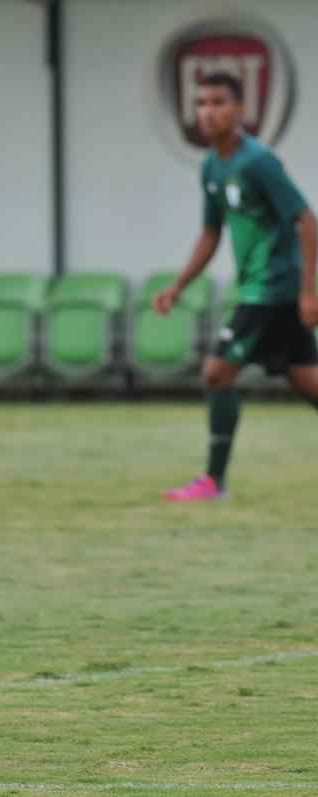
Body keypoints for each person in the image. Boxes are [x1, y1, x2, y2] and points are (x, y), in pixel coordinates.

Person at [156, 72, 318, 501]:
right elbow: (211, 233)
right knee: (306, 380)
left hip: (271, 289)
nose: (208, 112)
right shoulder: (211, 165)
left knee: (217, 372)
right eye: (202, 103)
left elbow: (305, 219)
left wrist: (308, 291)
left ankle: (213, 482)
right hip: (259, 290)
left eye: (218, 103)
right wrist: (178, 285)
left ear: (240, 110)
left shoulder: (258, 162)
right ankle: (214, 482)